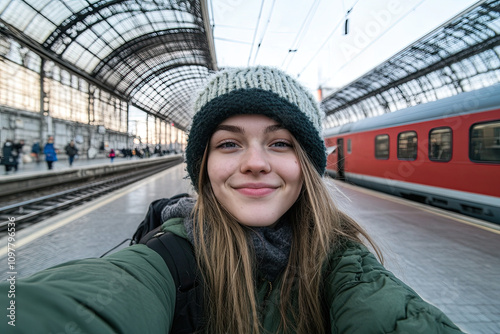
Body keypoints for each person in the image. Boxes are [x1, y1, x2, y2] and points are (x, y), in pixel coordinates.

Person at [0, 66, 464, 334]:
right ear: (201, 166)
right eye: (228, 144)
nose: (256, 163)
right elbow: (80, 306)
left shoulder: (348, 270)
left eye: (281, 143)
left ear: (308, 164)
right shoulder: (165, 261)